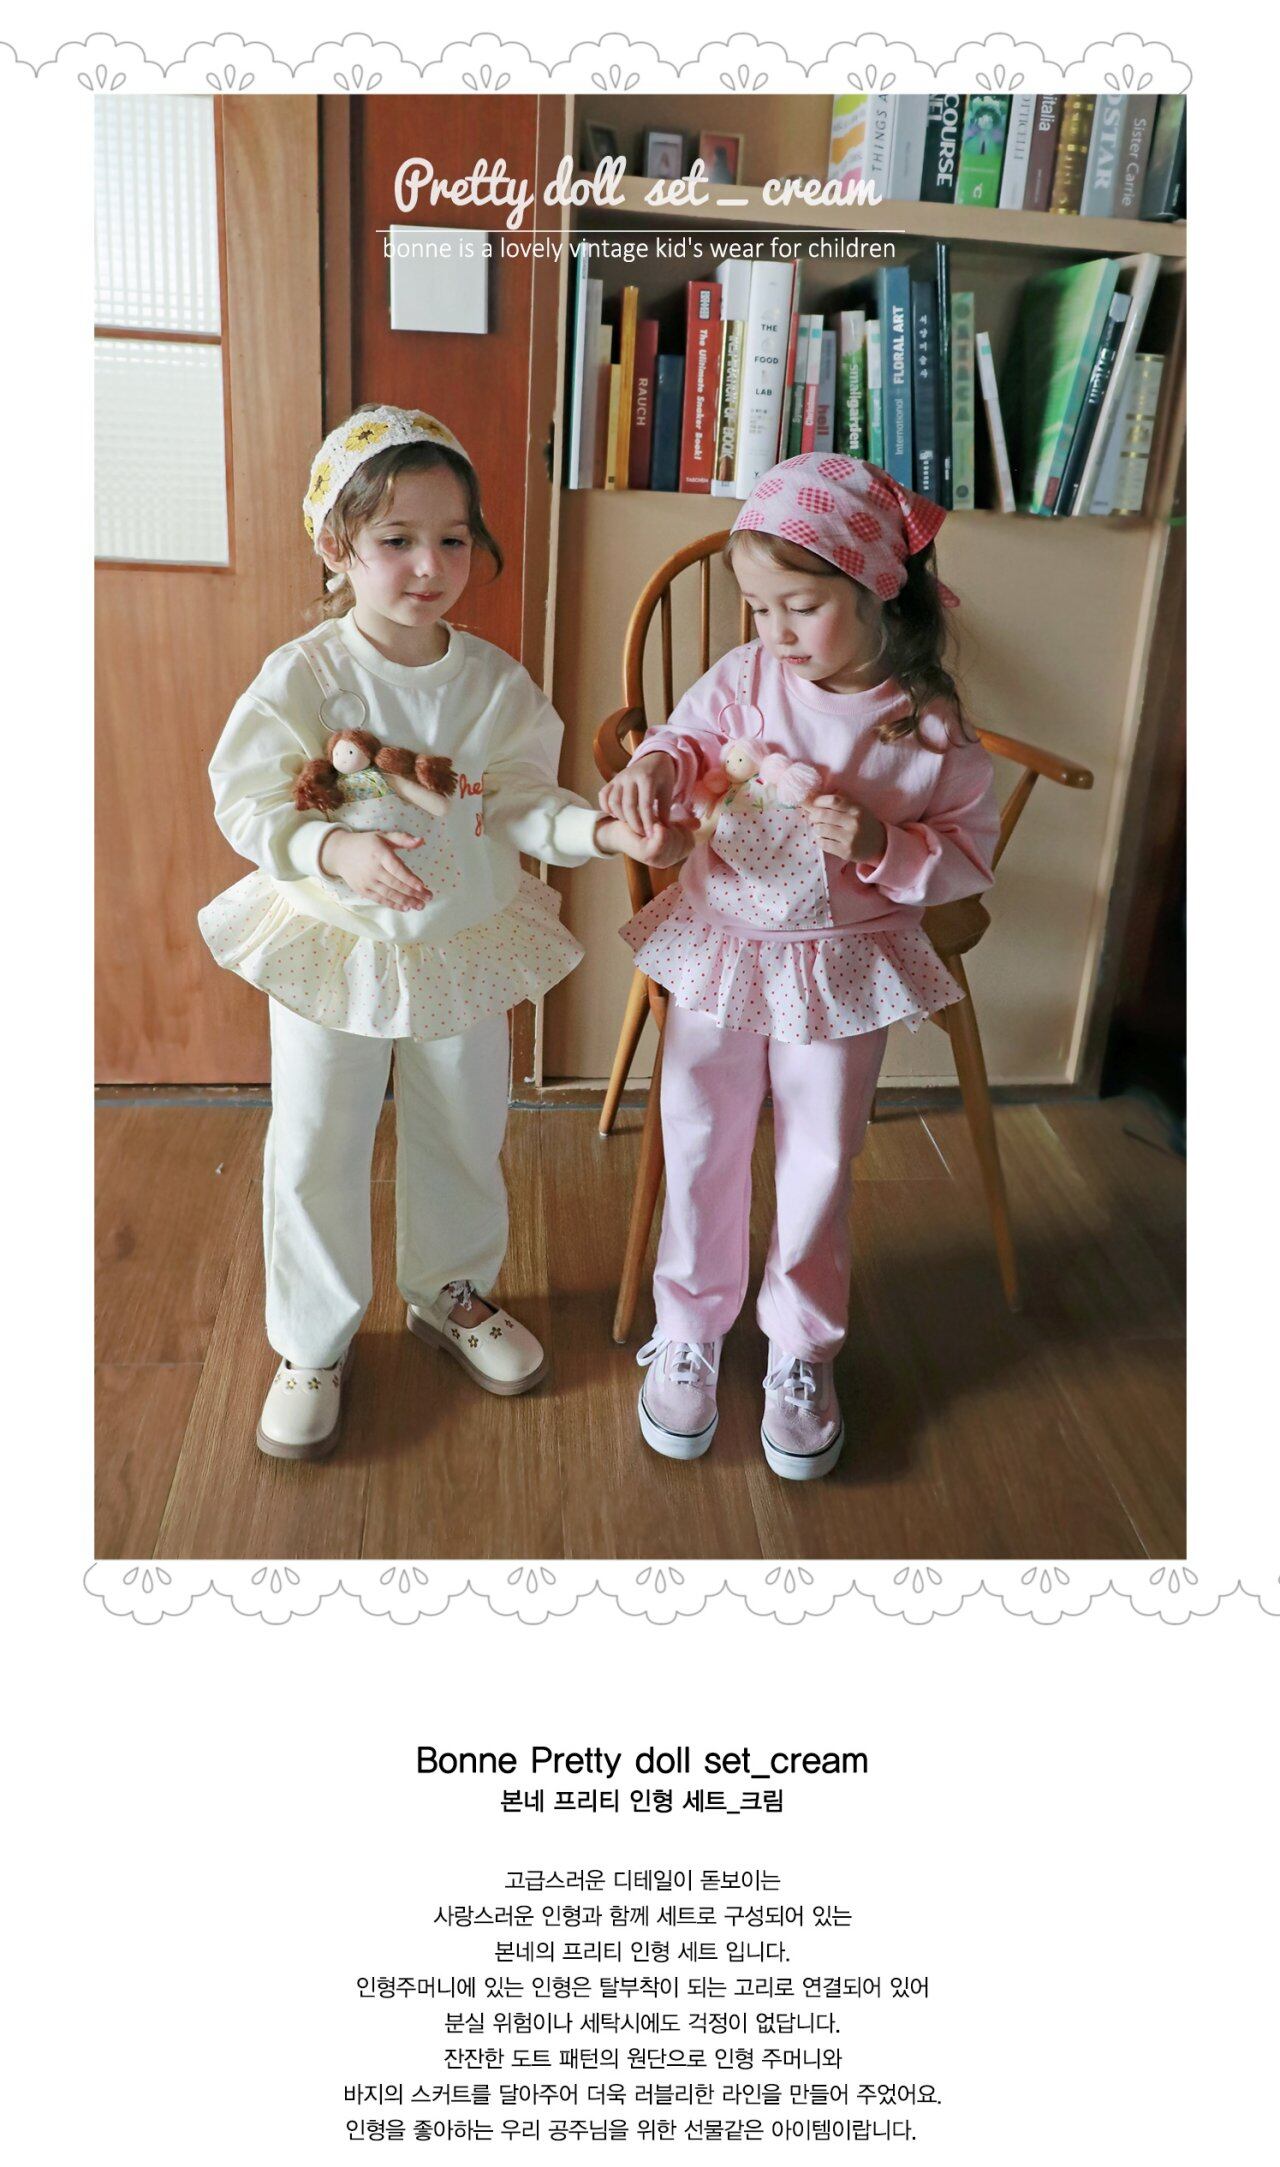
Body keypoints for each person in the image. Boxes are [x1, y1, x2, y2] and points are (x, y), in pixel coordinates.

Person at [199, 404, 685, 1461]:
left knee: (465, 1122)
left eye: (452, 538)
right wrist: (332, 849)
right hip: (333, 947)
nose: (429, 565)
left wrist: (599, 829)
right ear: (337, 546)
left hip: (462, 942)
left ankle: (451, 1289)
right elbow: (248, 797)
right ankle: (312, 1343)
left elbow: (522, 801)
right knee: (317, 1137)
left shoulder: (492, 682)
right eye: (396, 539)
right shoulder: (305, 675)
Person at [600, 455, 1000, 1481]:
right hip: (728, 945)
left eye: (799, 606)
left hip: (843, 966)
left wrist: (880, 841)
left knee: (820, 1153)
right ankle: (688, 1324)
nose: (773, 629)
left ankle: (800, 1346)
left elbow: (967, 854)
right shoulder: (746, 678)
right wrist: (656, 762)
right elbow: (687, 740)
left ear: (876, 587)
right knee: (699, 1131)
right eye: (756, 606)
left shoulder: (925, 723)